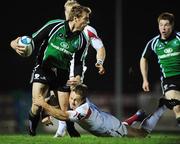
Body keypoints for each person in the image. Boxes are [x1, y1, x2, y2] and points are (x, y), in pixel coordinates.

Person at [10, 5, 92, 136]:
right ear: (76, 18)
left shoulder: (82, 39)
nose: (88, 22)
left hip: (62, 73)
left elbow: (79, 62)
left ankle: (71, 130)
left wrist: (77, 76)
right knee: (36, 103)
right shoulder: (54, 26)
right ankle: (32, 132)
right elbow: (32, 40)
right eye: (86, 19)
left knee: (64, 111)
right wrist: (15, 44)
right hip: (43, 68)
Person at [42, 0, 106, 137]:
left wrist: (99, 61)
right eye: (66, 11)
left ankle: (63, 128)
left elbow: (100, 47)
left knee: (69, 98)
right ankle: (63, 124)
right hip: (56, 68)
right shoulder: (60, 27)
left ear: (76, 13)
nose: (68, 14)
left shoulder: (87, 30)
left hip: (74, 70)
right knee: (54, 96)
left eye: (70, 11)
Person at [34, 84, 176, 137]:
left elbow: (63, 115)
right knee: (125, 127)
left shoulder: (83, 110)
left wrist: (44, 105)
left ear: (82, 100)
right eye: (71, 98)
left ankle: (162, 106)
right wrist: (47, 105)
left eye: (75, 100)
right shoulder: (81, 101)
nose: (71, 102)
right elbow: (59, 99)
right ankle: (137, 116)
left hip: (111, 129)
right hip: (108, 121)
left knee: (143, 134)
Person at [140, 12, 180, 126]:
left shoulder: (178, 38)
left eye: (166, 25)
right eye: (161, 25)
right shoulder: (154, 43)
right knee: (177, 107)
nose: (163, 28)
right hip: (169, 80)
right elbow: (143, 59)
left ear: (172, 25)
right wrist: (145, 79)